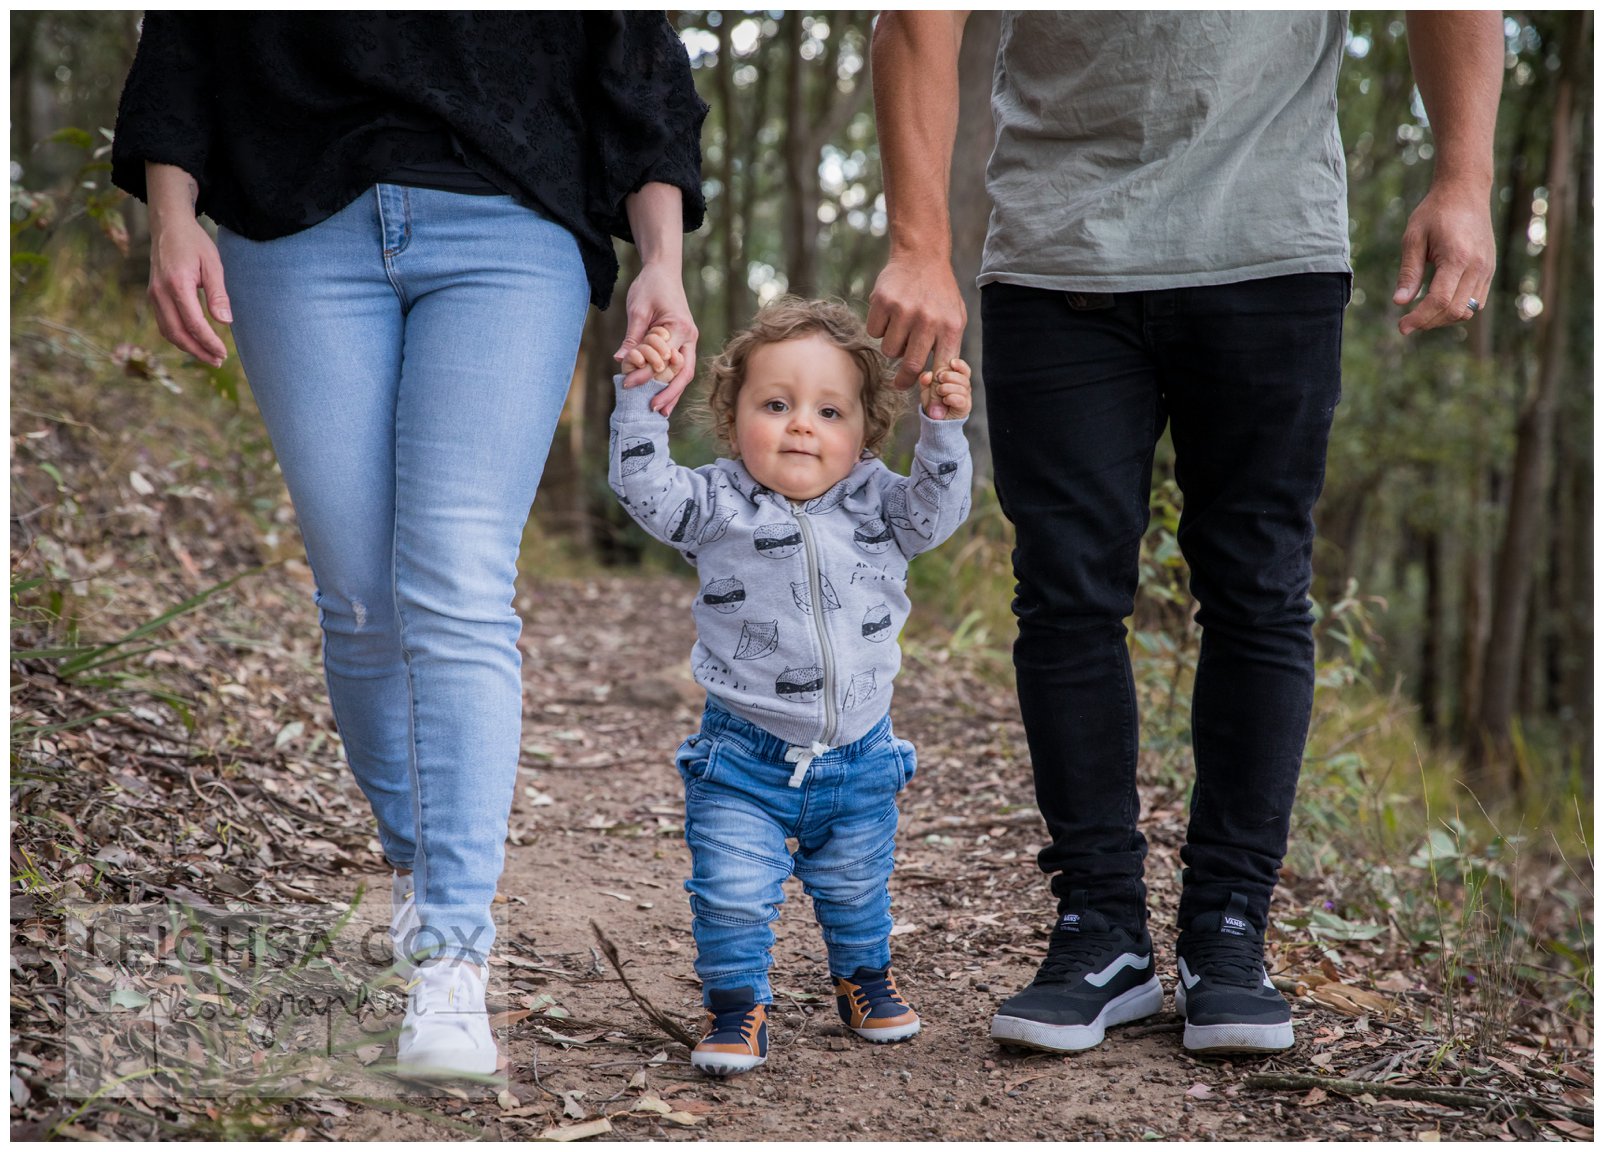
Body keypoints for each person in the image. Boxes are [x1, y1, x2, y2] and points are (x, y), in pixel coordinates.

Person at [869, 11, 1502, 1055]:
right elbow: (915, 19)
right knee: (1064, 594)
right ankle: (1099, 930)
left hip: (1268, 243)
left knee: (1255, 589)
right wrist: (918, 242)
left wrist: (1463, 179)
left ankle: (1227, 930)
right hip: (1056, 249)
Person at [111, 13, 706, 1078]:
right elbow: (189, 30)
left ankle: (449, 954)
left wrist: (659, 254)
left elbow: (630, 46)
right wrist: (172, 206)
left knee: (458, 582)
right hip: (289, 216)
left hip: (513, 221)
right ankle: (417, 871)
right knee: (355, 597)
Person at [608, 301, 973, 1075]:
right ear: (732, 416)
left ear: (866, 430)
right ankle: (737, 1006)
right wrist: (640, 398)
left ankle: (863, 980)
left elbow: (943, 512)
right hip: (743, 755)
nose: (802, 425)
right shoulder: (715, 504)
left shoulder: (883, 503)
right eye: (776, 405)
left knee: (856, 886)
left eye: (829, 410)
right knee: (733, 892)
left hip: (861, 752)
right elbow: (642, 485)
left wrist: (942, 429)